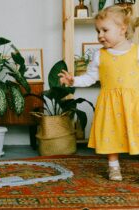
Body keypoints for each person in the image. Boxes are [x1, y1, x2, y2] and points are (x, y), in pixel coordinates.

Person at [59, 5, 139, 181]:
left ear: (122, 29)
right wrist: (73, 81)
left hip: (134, 103)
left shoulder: (136, 51)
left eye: (105, 30)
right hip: (110, 103)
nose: (100, 35)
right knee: (111, 134)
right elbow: (89, 78)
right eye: (97, 31)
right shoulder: (99, 55)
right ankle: (113, 167)